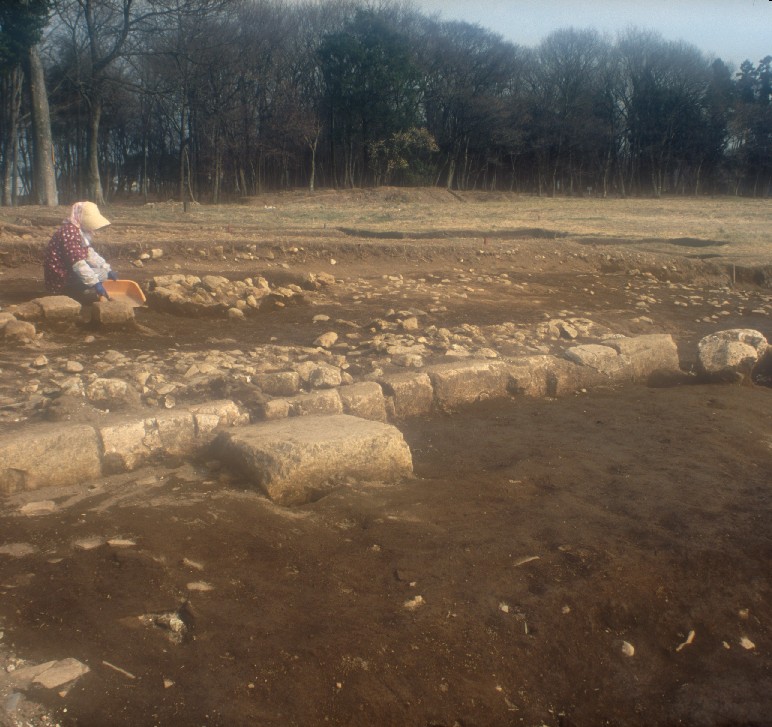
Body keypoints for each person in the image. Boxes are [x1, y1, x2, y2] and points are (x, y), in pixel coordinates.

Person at [43, 201, 118, 301]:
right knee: (101, 274)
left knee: (103, 271)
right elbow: (78, 263)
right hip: (60, 276)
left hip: (65, 271)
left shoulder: (77, 229)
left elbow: (89, 253)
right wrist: (95, 283)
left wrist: (107, 268)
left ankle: (75, 289)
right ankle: (69, 291)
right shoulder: (70, 232)